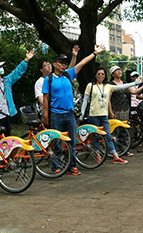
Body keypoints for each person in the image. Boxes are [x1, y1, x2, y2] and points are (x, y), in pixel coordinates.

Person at [42, 45, 105, 175]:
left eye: (65, 63)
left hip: (69, 114)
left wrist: (95, 53)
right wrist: (46, 115)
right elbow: (46, 98)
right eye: (61, 63)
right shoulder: (49, 80)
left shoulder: (68, 75)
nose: (63, 65)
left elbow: (82, 63)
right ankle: (56, 167)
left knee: (72, 142)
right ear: (54, 64)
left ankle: (72, 166)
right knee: (56, 142)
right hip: (56, 114)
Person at [80, 67, 140, 164]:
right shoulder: (90, 86)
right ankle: (98, 155)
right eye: (98, 74)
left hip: (104, 115)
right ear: (95, 75)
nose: (100, 76)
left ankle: (115, 155)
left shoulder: (108, 86)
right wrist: (82, 114)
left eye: (102, 74)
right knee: (96, 135)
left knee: (108, 135)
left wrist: (134, 83)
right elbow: (85, 100)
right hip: (93, 114)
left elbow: (121, 87)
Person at [0, 49, 36, 136]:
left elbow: (16, 72)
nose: (1, 68)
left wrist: (26, 60)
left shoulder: (6, 81)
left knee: (7, 137)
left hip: (7, 113)